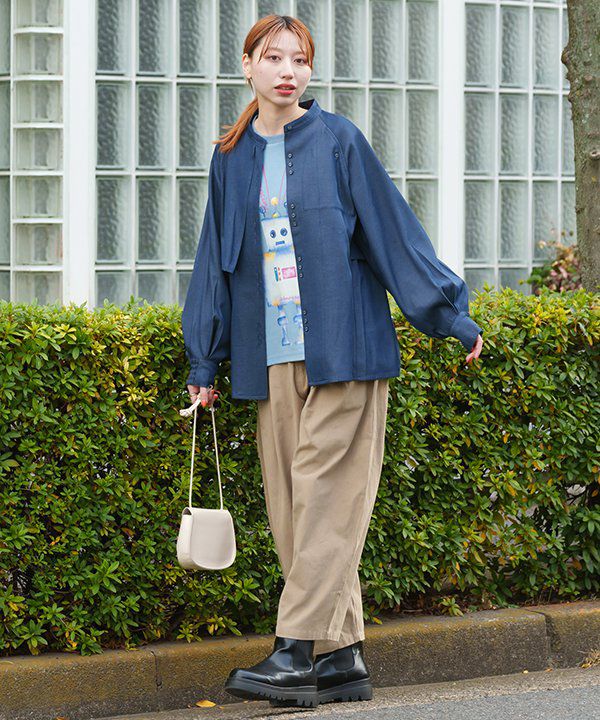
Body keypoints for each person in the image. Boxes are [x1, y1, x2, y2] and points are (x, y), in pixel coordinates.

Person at [182, 14, 484, 709]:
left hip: (346, 350)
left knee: (324, 500)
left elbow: (392, 233)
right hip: (271, 358)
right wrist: (205, 361)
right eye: (273, 58)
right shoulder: (230, 158)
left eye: (299, 59)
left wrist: (448, 315)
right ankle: (343, 658)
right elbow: (213, 262)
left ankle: (293, 654)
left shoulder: (340, 140)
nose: (287, 71)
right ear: (248, 67)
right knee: (295, 511)